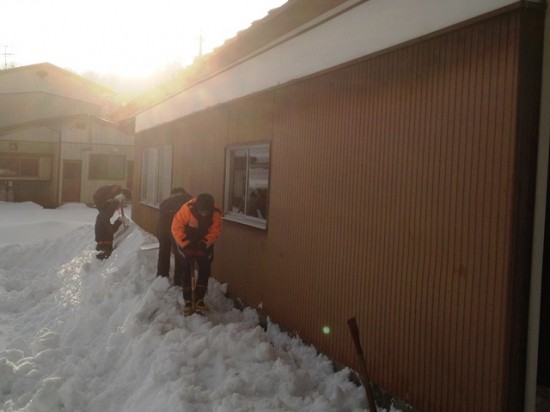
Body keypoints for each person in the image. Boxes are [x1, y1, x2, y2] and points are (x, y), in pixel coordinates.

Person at [171, 193, 221, 315]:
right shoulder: (187, 209)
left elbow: (215, 231)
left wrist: (205, 243)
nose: (204, 214)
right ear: (198, 207)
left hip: (203, 243)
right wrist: (185, 243)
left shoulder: (215, 213)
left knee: (205, 269)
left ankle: (199, 299)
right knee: (186, 269)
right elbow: (176, 227)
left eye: (206, 212)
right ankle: (188, 299)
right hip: (185, 241)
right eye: (202, 212)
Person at [156, 187, 192, 284]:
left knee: (164, 251)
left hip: (162, 227)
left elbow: (160, 216)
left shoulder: (164, 202)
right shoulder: (188, 199)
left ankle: (162, 276)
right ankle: (179, 280)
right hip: (177, 227)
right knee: (179, 253)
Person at [93, 184, 131, 260]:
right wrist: (116, 202)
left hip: (102, 246)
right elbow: (110, 229)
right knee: (102, 269)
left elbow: (109, 229)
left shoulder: (101, 217)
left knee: (99, 268)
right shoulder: (103, 217)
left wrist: (119, 221)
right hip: (104, 248)